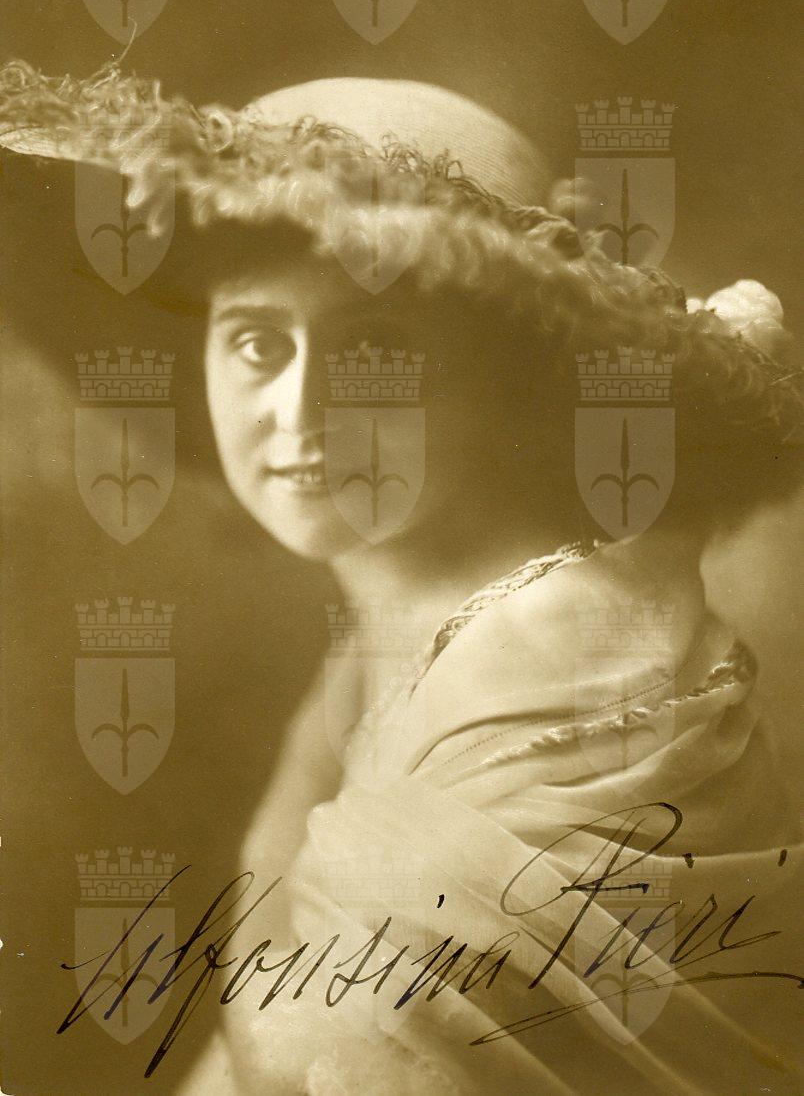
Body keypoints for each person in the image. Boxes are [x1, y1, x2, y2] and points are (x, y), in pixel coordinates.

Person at [1, 64, 802, 1092]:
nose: (297, 414)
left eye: (373, 352)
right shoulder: (388, 625)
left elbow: (319, 1054)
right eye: (257, 342)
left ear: (504, 378)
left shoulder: (573, 667)